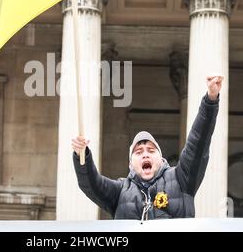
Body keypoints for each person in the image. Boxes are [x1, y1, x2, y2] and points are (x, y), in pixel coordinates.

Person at [72, 75, 223, 220]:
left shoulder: (180, 179)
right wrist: (81, 156)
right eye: (138, 152)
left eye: (151, 151)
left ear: (161, 158)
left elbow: (197, 143)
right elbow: (91, 184)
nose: (145, 154)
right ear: (130, 164)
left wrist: (210, 101)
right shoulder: (119, 191)